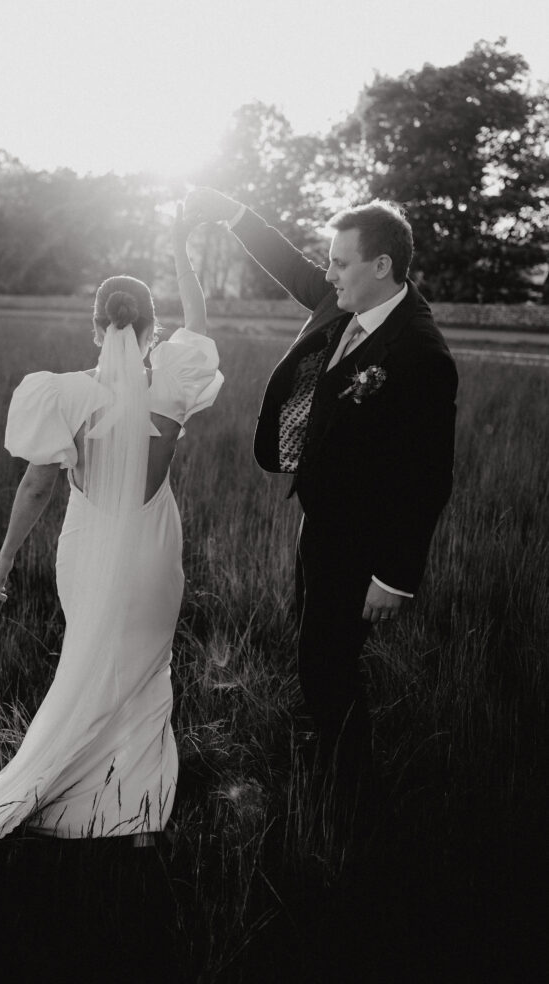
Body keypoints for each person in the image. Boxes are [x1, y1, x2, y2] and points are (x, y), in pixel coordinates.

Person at [0, 205, 222, 887]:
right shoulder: (174, 379)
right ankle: (138, 820)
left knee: (88, 668)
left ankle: (72, 794)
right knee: (148, 673)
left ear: (96, 327)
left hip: (87, 554)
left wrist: (3, 558)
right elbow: (199, 324)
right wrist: (181, 246)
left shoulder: (64, 395)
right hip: (153, 555)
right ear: (151, 329)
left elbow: (35, 487)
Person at [184, 188, 457, 781]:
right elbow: (292, 267)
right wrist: (234, 216)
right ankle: (328, 742)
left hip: (364, 539)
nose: (327, 273)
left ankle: (348, 787)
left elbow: (428, 477)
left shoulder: (419, 352)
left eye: (340, 261)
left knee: (328, 662)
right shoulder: (344, 303)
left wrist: (395, 577)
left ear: (381, 266)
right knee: (314, 644)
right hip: (320, 517)